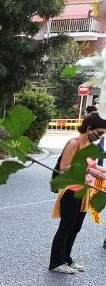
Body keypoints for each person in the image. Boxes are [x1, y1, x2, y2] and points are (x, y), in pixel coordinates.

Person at [47, 113, 106, 274]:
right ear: (89, 128)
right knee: (66, 227)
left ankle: (67, 259)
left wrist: (101, 171)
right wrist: (90, 171)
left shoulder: (89, 146)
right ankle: (56, 262)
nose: (100, 137)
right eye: (99, 133)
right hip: (71, 190)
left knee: (75, 227)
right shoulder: (74, 143)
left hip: (84, 191)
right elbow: (64, 166)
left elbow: (94, 166)